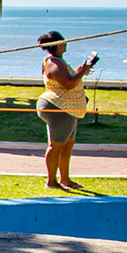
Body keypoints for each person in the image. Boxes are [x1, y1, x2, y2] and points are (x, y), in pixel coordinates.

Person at [35, 31, 92, 190]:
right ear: (58, 44)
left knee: (67, 144)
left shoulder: (59, 61)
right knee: (56, 145)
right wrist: (82, 72)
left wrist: (80, 71)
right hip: (57, 106)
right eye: (63, 42)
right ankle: (52, 181)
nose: (66, 44)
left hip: (68, 109)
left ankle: (65, 179)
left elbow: (68, 78)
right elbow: (67, 83)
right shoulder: (53, 62)